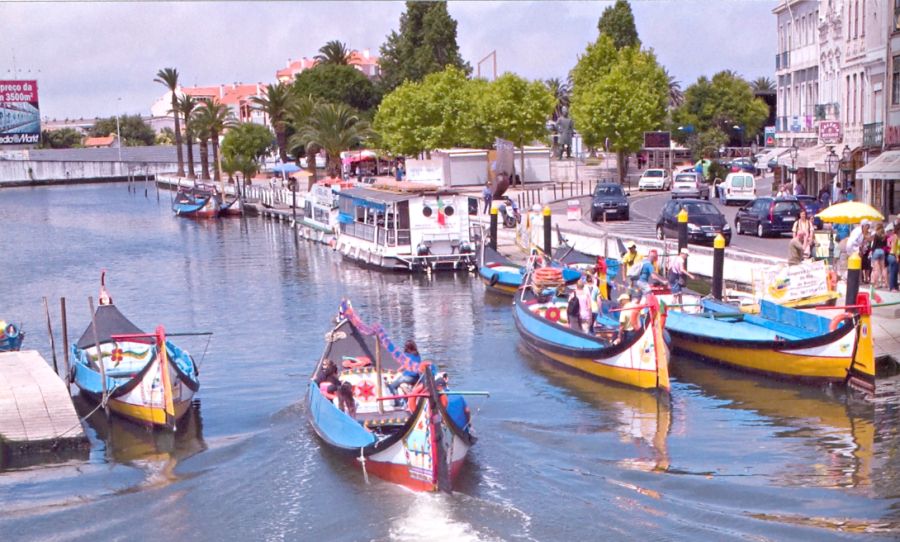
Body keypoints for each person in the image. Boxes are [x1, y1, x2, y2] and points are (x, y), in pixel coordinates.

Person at [387, 340, 422, 404]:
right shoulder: (417, 354)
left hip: (408, 377)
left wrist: (397, 371)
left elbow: (403, 366)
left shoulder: (406, 355)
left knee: (392, 386)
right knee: (401, 384)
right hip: (416, 377)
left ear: (406, 347)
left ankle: (398, 402)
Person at [870, 223, 888, 288]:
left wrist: (871, 251)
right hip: (882, 251)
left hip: (876, 251)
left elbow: (874, 245)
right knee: (883, 268)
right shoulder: (884, 235)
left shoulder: (876, 235)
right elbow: (885, 245)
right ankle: (885, 283)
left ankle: (876, 284)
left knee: (876, 269)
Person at [889, 223, 900, 291]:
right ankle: (892, 287)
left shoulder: (898, 236)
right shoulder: (895, 236)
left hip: (896, 255)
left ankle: (895, 286)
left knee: (895, 271)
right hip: (893, 255)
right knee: (893, 272)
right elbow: (894, 247)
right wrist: (896, 257)